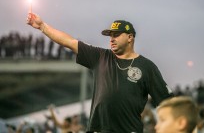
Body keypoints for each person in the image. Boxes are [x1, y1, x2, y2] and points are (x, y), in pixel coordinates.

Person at [26, 13, 173, 133]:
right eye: (110, 36)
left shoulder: (147, 67)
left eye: (116, 35)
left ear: (130, 37)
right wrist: (42, 26)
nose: (112, 39)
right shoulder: (101, 57)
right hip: (98, 130)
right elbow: (69, 42)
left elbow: (167, 103)